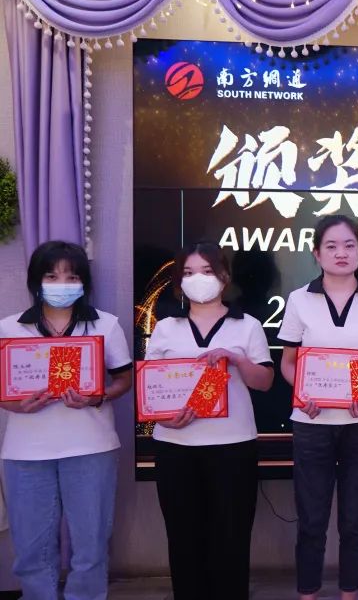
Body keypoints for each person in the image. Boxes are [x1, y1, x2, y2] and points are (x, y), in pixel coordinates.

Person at [0, 240, 133, 600]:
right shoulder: (9, 329)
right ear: (36, 281)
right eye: (52, 276)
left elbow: (124, 379)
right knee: (31, 548)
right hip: (26, 453)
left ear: (84, 282)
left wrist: (98, 396)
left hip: (91, 448)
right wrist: (14, 405)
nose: (62, 284)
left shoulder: (105, 324)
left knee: (91, 545)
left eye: (71, 277)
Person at [278, 215, 358, 600]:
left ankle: (350, 594)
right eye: (331, 246)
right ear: (316, 254)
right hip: (311, 422)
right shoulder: (299, 299)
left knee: (354, 519)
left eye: (349, 245)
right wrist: (302, 393)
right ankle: (308, 594)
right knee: (311, 519)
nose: (341, 253)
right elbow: (288, 362)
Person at [146, 242, 275, 600]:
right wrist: (164, 419)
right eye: (188, 273)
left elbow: (264, 381)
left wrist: (237, 360)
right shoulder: (165, 327)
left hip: (233, 447)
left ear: (224, 277)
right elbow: (151, 387)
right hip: (175, 446)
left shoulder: (247, 325)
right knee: (183, 538)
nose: (197, 279)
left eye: (206, 271)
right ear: (178, 282)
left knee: (231, 538)